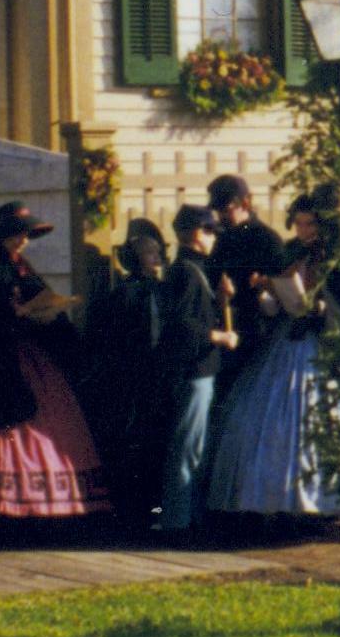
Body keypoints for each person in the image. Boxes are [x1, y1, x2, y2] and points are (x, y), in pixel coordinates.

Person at [205, 194, 340, 519]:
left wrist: (321, 308)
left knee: (327, 415)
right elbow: (277, 306)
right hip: (289, 339)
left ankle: (334, 500)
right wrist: (268, 293)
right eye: (299, 223)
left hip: (325, 344)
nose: (303, 230)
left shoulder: (336, 258)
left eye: (309, 223)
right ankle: (282, 502)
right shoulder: (290, 252)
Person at [0, 201, 112, 527]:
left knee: (47, 423)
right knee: (0, 428)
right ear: (2, 235)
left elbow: (41, 301)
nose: (23, 241)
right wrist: (12, 316)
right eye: (18, 235)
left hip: (29, 356)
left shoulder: (20, 266)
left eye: (26, 236)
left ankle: (42, 509)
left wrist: (47, 315)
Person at [152, 205, 239, 535]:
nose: (213, 237)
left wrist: (219, 300)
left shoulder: (193, 269)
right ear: (195, 233)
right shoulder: (186, 272)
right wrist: (219, 335)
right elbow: (183, 326)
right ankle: (177, 520)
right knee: (189, 446)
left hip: (200, 369)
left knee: (194, 444)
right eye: (210, 231)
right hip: (194, 371)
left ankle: (189, 515)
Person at [83, 219, 173, 527]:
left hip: (156, 378)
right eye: (150, 254)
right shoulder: (125, 294)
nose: (157, 258)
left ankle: (152, 509)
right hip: (132, 380)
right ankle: (135, 511)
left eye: (158, 252)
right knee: (134, 444)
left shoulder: (163, 291)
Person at [206, 173, 295, 374]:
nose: (221, 216)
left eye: (226, 210)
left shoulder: (266, 239)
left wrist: (264, 288)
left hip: (255, 332)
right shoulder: (221, 237)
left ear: (245, 203)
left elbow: (283, 290)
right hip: (224, 329)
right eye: (218, 210)